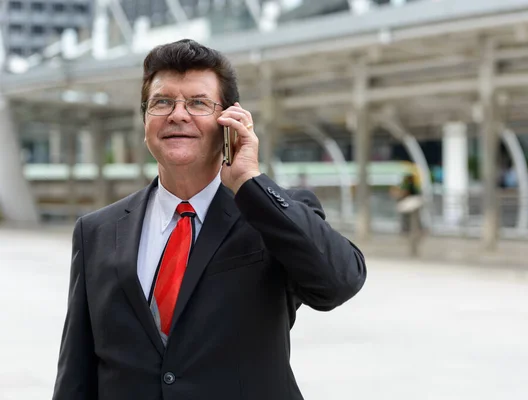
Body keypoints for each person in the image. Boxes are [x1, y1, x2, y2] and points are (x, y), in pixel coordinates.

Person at [52, 39, 366, 400]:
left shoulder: (271, 213)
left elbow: (340, 282)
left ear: (229, 120)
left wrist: (251, 183)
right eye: (162, 102)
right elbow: (76, 370)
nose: (178, 115)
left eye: (198, 103)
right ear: (145, 120)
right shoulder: (97, 231)